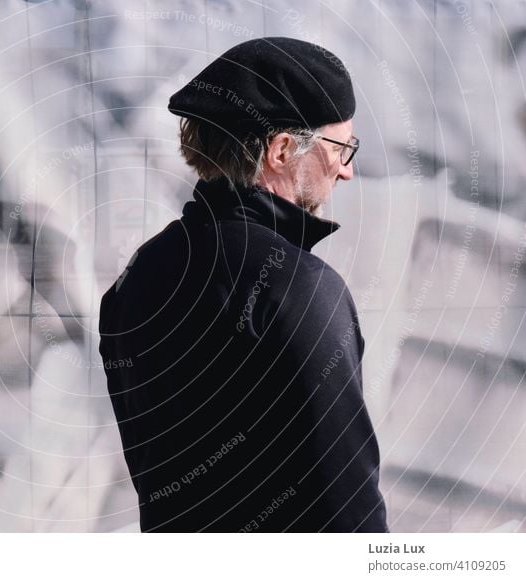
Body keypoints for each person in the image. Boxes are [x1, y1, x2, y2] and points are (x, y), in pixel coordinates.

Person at [98, 37, 388, 532]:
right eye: (341, 148)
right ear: (280, 150)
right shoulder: (301, 288)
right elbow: (345, 501)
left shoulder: (140, 274)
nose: (348, 170)